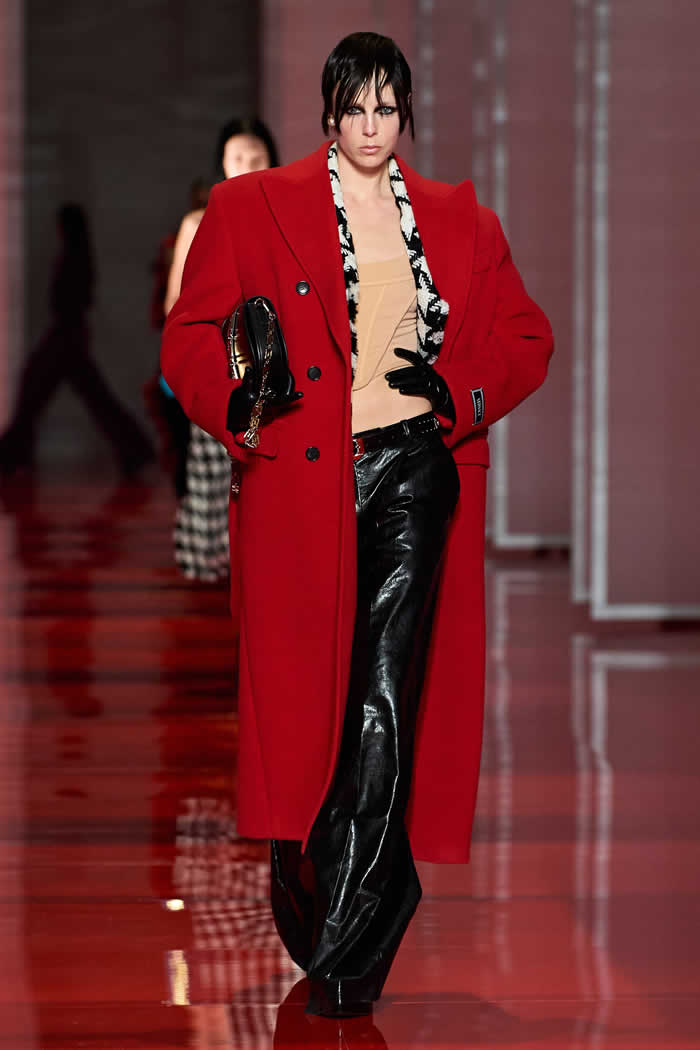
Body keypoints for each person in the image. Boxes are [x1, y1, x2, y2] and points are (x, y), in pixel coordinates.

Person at [161, 32, 554, 1018]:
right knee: (313, 704)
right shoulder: (255, 207)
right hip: (305, 483)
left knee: (384, 696)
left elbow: (526, 336)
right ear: (329, 112)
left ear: (404, 114)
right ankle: (314, 880)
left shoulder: (459, 220)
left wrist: (459, 390)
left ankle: (355, 925)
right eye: (355, 108)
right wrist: (240, 408)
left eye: (387, 108)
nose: (371, 126)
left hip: (414, 472)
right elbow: (187, 336)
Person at [164, 119, 279, 580]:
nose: (247, 168)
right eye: (238, 159)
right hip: (218, 362)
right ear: (222, 165)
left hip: (273, 361)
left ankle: (260, 558)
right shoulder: (199, 221)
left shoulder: (284, 216)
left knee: (268, 467)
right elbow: (176, 304)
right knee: (213, 466)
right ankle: (211, 554)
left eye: (257, 159)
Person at [0, 204, 154, 476]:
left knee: (38, 394)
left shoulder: (73, 258)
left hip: (65, 339)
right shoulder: (77, 256)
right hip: (68, 338)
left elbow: (69, 302)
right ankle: (135, 449)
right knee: (89, 398)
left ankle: (13, 454)